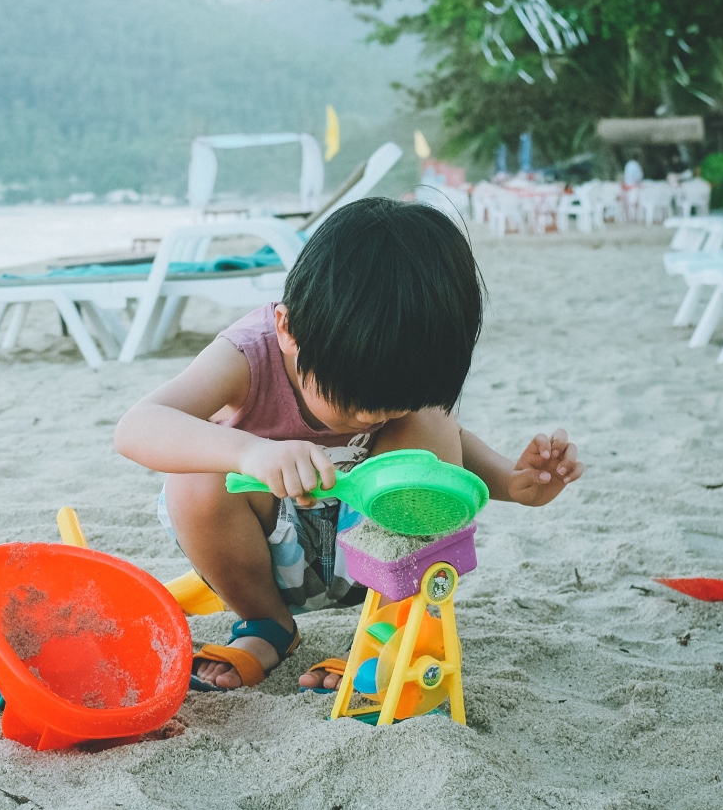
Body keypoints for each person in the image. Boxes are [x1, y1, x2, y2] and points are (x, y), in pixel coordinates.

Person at [113, 196, 582, 691]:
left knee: (431, 422)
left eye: (391, 405)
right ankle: (266, 626)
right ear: (289, 330)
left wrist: (513, 481)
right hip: (260, 557)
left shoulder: (405, 391)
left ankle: (387, 640)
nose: (374, 417)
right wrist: (250, 451)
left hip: (383, 558)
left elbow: (452, 446)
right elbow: (137, 425)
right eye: (355, 403)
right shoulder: (247, 355)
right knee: (194, 474)